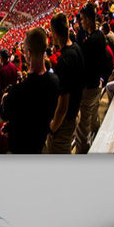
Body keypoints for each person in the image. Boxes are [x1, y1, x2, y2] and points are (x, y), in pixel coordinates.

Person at [0, 27, 59, 153]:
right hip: (41, 145)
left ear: (28, 53)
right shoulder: (55, 81)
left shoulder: (17, 93)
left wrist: (4, 100)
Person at [75, 3, 114, 153]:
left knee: (82, 126)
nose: (81, 22)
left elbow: (82, 64)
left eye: (83, 19)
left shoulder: (92, 41)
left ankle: (83, 152)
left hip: (89, 87)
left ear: (90, 20)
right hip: (96, 84)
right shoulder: (98, 36)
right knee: (93, 116)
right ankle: (97, 136)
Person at [47, 12, 85, 154]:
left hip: (65, 121)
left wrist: (53, 127)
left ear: (54, 32)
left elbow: (63, 104)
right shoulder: (76, 48)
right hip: (75, 112)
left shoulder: (64, 60)